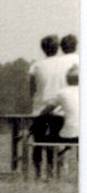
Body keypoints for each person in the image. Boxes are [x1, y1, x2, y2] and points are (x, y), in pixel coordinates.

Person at [28, 36, 72, 179]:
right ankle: (54, 171)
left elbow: (31, 91)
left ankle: (38, 173)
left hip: (40, 110)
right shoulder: (64, 64)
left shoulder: (36, 66)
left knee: (38, 142)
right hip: (60, 110)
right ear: (57, 48)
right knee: (55, 141)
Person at [37, 64, 79, 177]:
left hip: (69, 135)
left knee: (47, 138)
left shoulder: (62, 93)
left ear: (67, 79)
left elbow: (45, 111)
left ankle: (54, 167)